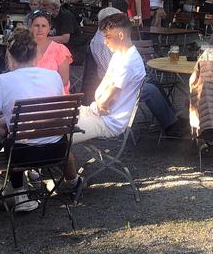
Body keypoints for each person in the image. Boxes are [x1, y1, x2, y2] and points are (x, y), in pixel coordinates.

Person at [0, 28, 66, 212]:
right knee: (11, 131)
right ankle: (20, 191)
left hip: (22, 155)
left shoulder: (2, 81)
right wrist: (5, 122)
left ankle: (19, 193)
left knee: (9, 136)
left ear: (9, 55)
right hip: (57, 150)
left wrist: (1, 123)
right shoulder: (53, 76)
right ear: (36, 53)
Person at [61, 14, 148, 190]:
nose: (105, 42)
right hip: (97, 113)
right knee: (53, 122)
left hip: (108, 120)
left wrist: (99, 102)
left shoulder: (129, 62)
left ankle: (72, 182)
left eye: (108, 37)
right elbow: (104, 91)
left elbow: (106, 101)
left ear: (121, 35)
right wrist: (98, 102)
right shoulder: (121, 54)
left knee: (56, 136)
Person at [28, 10, 72, 93]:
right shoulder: (24, 47)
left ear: (49, 28)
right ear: (31, 27)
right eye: (37, 25)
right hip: (28, 94)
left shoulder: (60, 50)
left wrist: (44, 91)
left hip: (52, 95)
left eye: (44, 26)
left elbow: (64, 80)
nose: (40, 29)